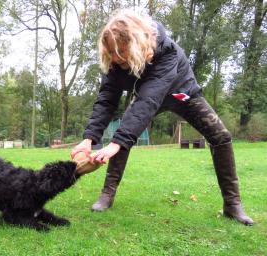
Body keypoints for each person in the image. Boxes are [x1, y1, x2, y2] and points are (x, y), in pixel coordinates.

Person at [70, 9, 253, 225]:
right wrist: (89, 138)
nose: (118, 60)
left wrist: (116, 143)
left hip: (181, 92)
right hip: (145, 97)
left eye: (123, 56)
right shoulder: (112, 55)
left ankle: (232, 204)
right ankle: (107, 194)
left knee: (221, 136)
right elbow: (107, 97)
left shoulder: (167, 53)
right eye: (113, 56)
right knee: (124, 136)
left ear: (138, 44)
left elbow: (148, 100)